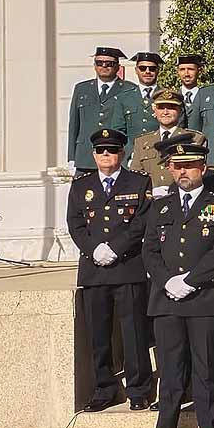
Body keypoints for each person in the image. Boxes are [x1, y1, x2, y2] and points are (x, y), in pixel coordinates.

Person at [141, 139, 214, 428]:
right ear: (169, 169)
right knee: (169, 369)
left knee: (206, 367)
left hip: (204, 298)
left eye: (190, 166)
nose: (183, 172)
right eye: (177, 167)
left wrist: (191, 280)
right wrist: (169, 281)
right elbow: (150, 250)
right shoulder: (160, 206)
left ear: (202, 169)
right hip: (167, 299)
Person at [68, 129, 154, 412]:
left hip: (128, 267)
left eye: (113, 150)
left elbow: (141, 222)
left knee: (134, 333)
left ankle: (139, 389)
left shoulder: (139, 182)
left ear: (122, 154)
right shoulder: (81, 185)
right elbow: (75, 223)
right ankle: (104, 388)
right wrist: (94, 250)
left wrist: (116, 248)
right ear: (94, 155)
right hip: (94, 270)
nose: (107, 155)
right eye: (102, 151)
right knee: (99, 335)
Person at [67, 46, 140, 173]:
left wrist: (128, 154)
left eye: (109, 63)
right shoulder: (82, 89)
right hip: (85, 158)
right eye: (99, 63)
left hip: (115, 155)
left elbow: (134, 126)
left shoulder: (130, 89)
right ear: (94, 66)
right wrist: (71, 157)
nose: (104, 66)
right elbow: (74, 125)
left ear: (117, 67)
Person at [130, 90, 206, 195]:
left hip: (180, 196)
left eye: (171, 107)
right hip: (149, 199)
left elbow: (198, 172)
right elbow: (135, 175)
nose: (165, 112)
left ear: (180, 110)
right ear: (154, 110)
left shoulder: (195, 138)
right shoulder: (142, 142)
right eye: (161, 108)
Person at [127, 52, 164, 140]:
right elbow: (118, 130)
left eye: (152, 68)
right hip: (132, 151)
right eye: (142, 68)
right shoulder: (125, 98)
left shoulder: (167, 97)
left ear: (158, 70)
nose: (147, 72)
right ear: (136, 70)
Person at [176, 54, 204, 130]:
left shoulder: (206, 97)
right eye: (182, 69)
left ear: (199, 71)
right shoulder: (173, 98)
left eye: (191, 69)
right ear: (177, 72)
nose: (186, 74)